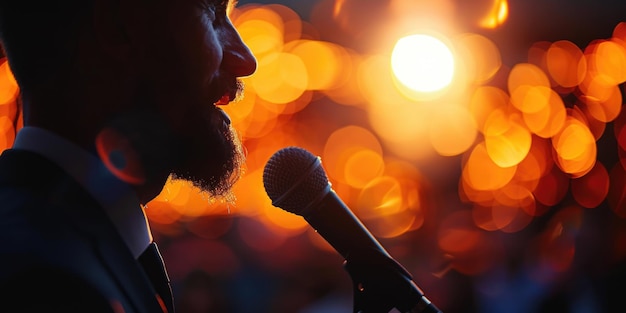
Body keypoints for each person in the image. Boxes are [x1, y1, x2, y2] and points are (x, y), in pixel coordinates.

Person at [0, 0, 256, 311]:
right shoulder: (47, 283)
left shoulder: (54, 245)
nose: (245, 59)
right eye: (210, 11)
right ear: (116, 26)